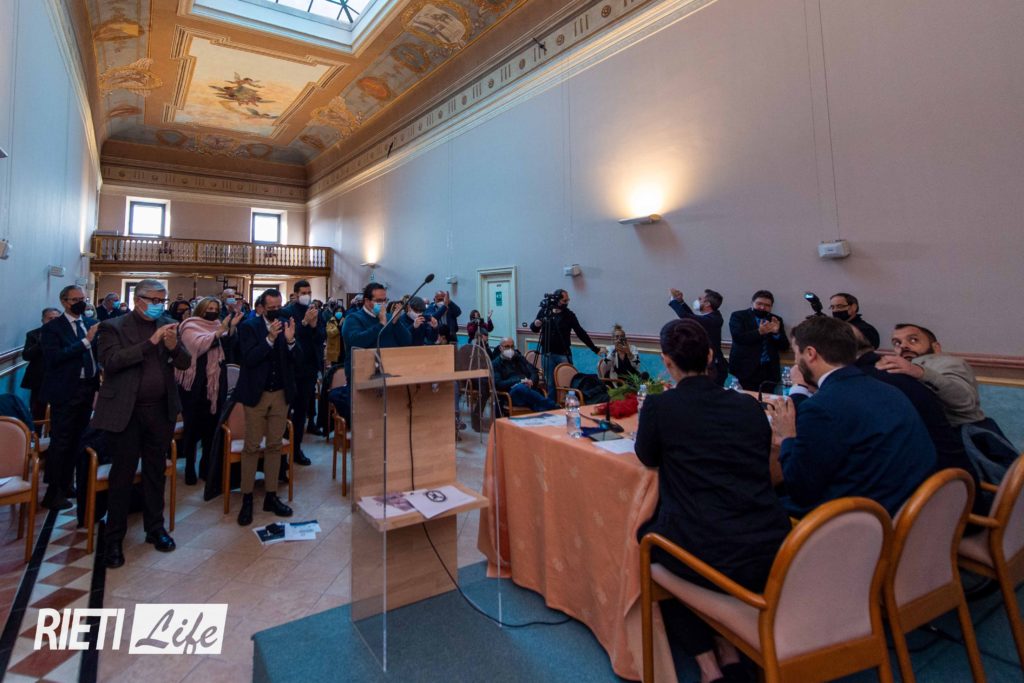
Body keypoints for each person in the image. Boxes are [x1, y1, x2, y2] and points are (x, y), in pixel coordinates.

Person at [635, 319, 791, 683]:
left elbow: (647, 456)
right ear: (709, 356)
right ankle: (727, 647)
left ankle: (708, 665)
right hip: (770, 540)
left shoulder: (660, 406)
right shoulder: (748, 406)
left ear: (666, 362)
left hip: (707, 544)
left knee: (648, 540)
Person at [768, 316, 935, 517]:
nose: (796, 361)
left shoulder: (822, 407)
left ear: (810, 353)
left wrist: (785, 437)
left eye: (797, 353)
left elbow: (800, 489)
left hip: (856, 517)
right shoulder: (889, 390)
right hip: (905, 505)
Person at [92, 279, 191, 568]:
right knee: (122, 475)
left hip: (159, 411)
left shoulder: (169, 324)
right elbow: (111, 362)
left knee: (155, 471)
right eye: (154, 300)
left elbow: (184, 363)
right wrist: (151, 343)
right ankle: (114, 538)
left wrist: (173, 347)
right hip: (126, 411)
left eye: (162, 299)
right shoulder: (113, 326)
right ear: (138, 300)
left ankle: (155, 528)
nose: (159, 304)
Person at [878, 323, 1017, 471]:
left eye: (913, 340)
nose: (903, 346)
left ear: (936, 347)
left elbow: (965, 401)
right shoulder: (897, 369)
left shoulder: (948, 363)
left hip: (961, 443)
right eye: (897, 343)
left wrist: (920, 372)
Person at [232, 289, 298, 526]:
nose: (276, 311)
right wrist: (269, 339)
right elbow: (249, 359)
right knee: (251, 447)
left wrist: (290, 341)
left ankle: (271, 495)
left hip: (280, 393)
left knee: (274, 446)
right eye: (271, 308)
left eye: (279, 307)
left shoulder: (287, 324)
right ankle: (247, 497)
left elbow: (297, 360)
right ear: (261, 307)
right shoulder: (249, 327)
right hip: (256, 394)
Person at [39, 287, 99, 510]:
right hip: (65, 390)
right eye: (76, 300)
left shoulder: (90, 323)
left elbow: (95, 354)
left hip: (87, 388)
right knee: (61, 440)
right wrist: (85, 342)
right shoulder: (53, 328)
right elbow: (55, 358)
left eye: (83, 299)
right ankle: (53, 491)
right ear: (64, 302)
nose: (81, 303)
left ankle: (67, 483)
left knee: (78, 438)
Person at [175, 297, 240, 484]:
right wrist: (219, 333)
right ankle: (189, 466)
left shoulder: (218, 324)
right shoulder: (189, 325)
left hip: (215, 381)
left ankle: (206, 467)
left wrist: (231, 328)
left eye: (215, 308)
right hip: (194, 382)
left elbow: (227, 347)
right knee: (192, 426)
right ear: (201, 309)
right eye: (209, 308)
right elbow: (196, 346)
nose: (212, 311)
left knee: (211, 426)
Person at [281, 280, 324, 464]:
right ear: (296, 294)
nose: (307, 295)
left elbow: (321, 337)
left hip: (309, 368)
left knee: (301, 411)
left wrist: (314, 326)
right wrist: (305, 322)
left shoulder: (315, 311)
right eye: (304, 292)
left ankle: (296, 448)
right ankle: (282, 452)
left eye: (309, 292)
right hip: (292, 368)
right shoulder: (287, 312)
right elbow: (288, 337)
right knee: (285, 412)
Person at [529, 289, 601, 391]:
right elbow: (534, 328)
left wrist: (594, 348)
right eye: (564, 301)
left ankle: (567, 399)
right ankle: (552, 401)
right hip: (546, 353)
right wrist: (536, 324)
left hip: (563, 353)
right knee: (549, 383)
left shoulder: (569, 315)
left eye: (568, 300)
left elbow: (580, 332)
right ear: (557, 300)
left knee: (567, 382)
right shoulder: (545, 311)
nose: (567, 303)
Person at [727, 290, 790, 391]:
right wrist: (759, 332)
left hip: (769, 371)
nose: (762, 307)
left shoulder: (775, 320)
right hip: (744, 369)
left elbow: (784, 346)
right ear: (752, 303)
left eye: (767, 305)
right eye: (759, 304)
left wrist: (776, 333)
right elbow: (738, 338)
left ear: (771, 307)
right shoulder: (738, 316)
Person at [669, 287, 728, 385]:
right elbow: (692, 317)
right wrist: (681, 302)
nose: (697, 300)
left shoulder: (714, 319)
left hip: (714, 368)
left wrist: (673, 300)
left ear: (707, 304)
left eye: (700, 299)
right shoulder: (712, 316)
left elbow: (686, 317)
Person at [21, 307, 61, 428]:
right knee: (37, 409)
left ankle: (54, 433)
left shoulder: (66, 334)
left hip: (60, 377)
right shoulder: (33, 334)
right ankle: (36, 433)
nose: (53, 321)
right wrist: (41, 342)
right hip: (39, 378)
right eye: (50, 318)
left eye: (56, 318)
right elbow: (26, 356)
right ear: (43, 320)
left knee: (58, 410)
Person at [492, 338, 557, 412]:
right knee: (520, 388)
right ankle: (552, 406)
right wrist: (520, 381)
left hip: (528, 389)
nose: (510, 349)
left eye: (512, 346)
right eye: (507, 347)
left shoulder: (519, 358)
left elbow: (533, 372)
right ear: (500, 348)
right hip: (510, 394)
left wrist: (531, 381)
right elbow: (498, 384)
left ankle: (547, 410)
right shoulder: (496, 364)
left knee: (534, 401)